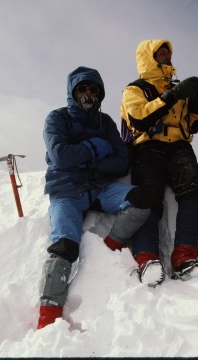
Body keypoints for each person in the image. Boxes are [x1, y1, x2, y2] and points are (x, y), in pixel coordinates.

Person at [37, 66, 153, 329]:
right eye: (82, 88)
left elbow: (121, 163)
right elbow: (59, 156)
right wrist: (94, 149)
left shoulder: (106, 123)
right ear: (72, 92)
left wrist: (84, 161)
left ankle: (110, 247)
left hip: (99, 189)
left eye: (93, 89)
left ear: (100, 94)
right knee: (64, 247)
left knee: (144, 198)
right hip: (66, 190)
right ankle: (48, 315)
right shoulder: (57, 118)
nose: (88, 93)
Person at [120, 40, 198, 286]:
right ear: (148, 57)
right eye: (160, 53)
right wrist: (174, 95)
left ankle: (185, 256)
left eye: (167, 53)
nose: (166, 57)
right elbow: (139, 118)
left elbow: (192, 126)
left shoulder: (177, 88)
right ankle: (146, 256)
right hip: (148, 145)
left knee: (193, 187)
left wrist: (195, 105)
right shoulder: (135, 89)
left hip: (180, 145)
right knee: (149, 195)